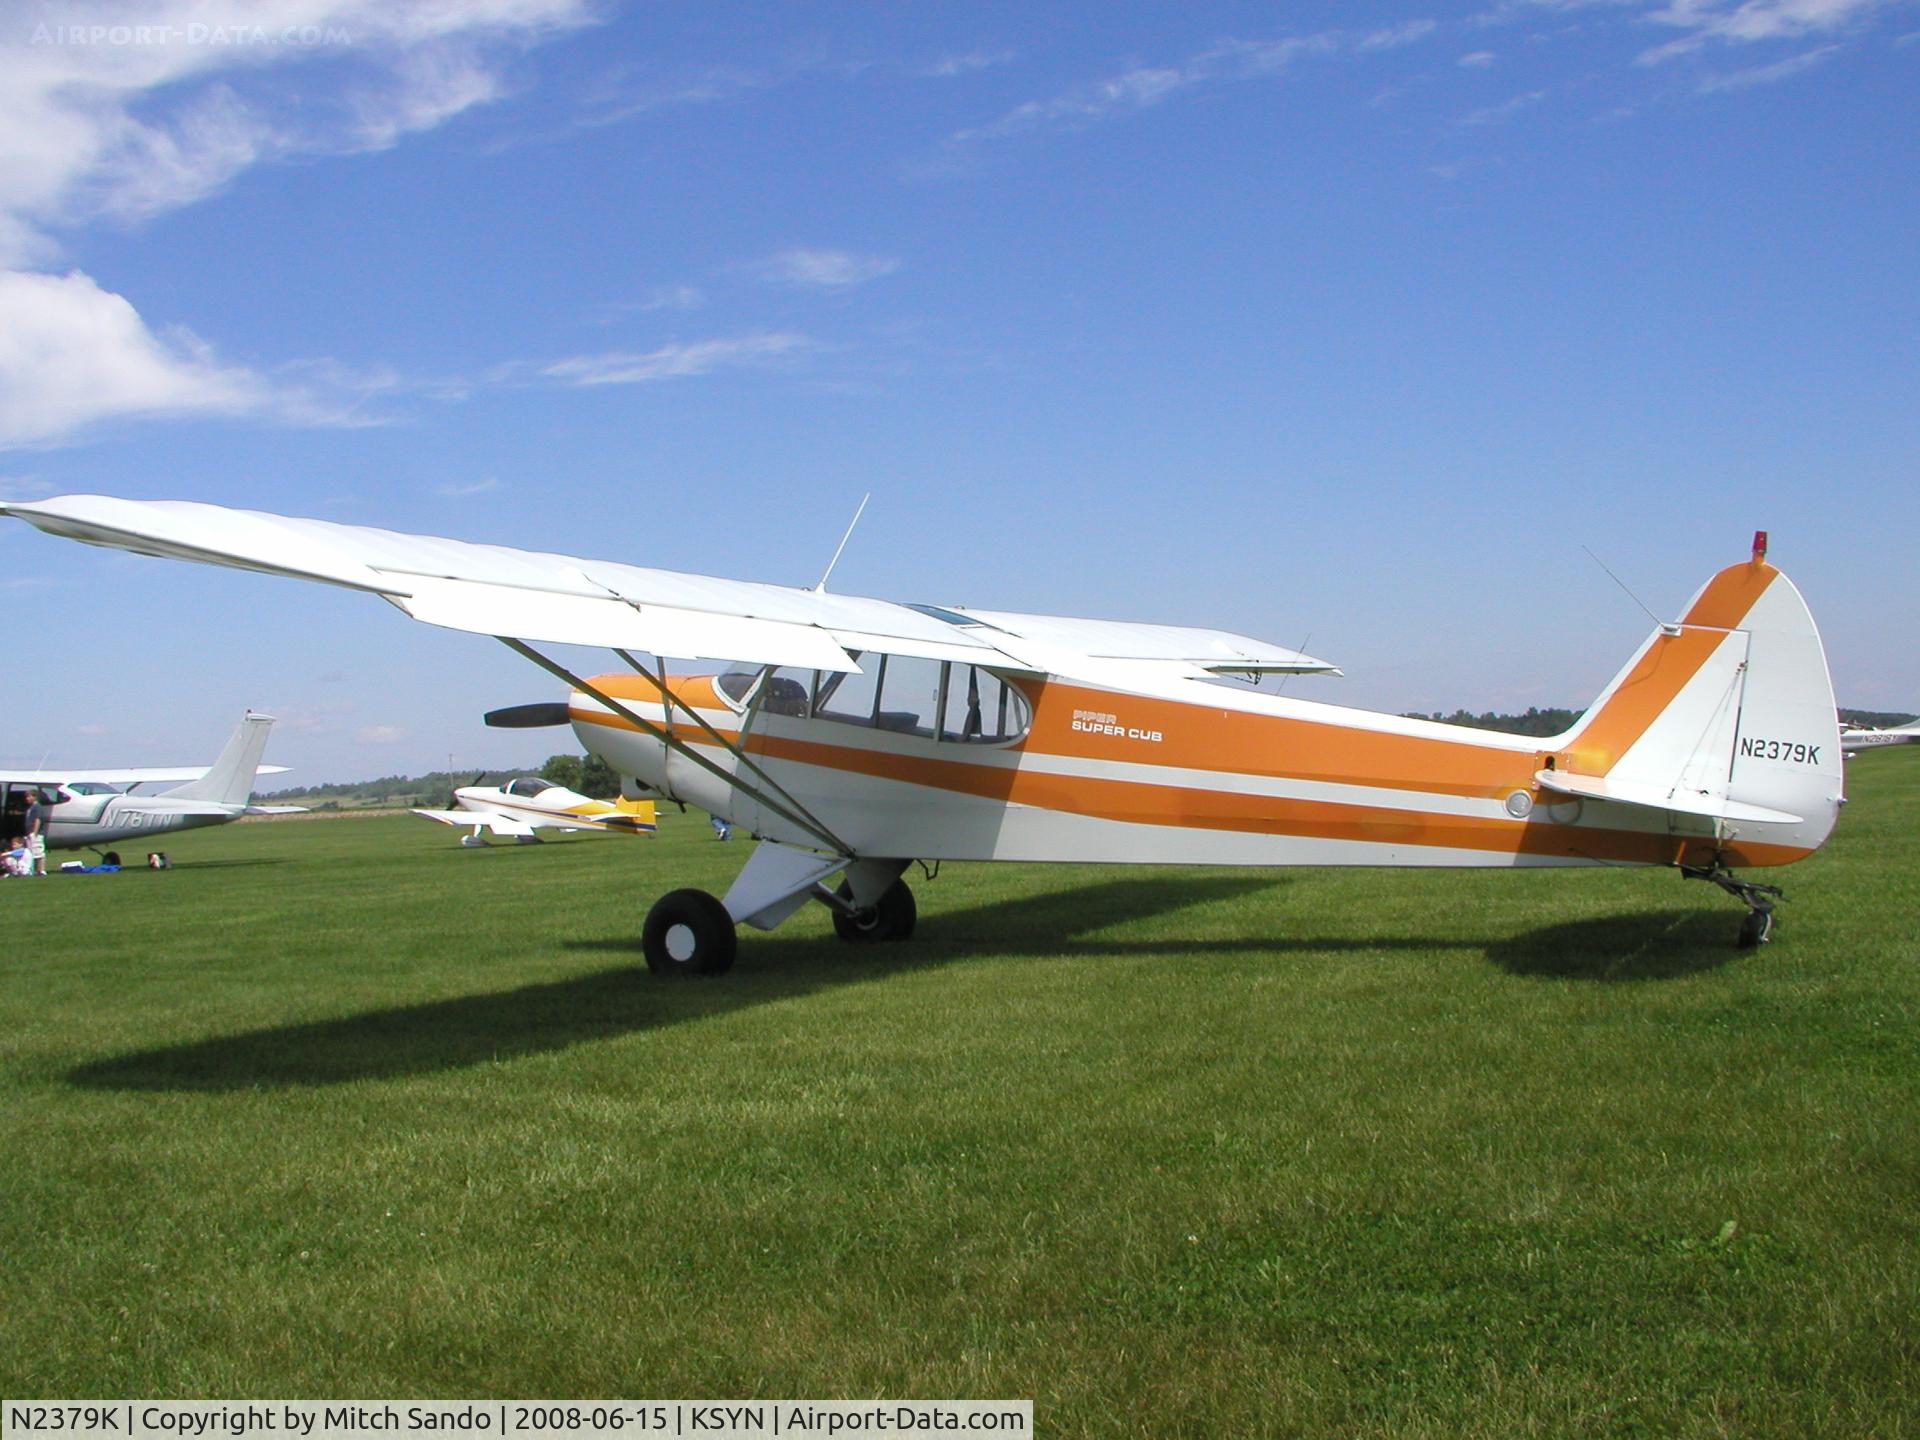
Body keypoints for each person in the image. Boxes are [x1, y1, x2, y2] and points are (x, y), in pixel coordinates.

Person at [23, 790, 52, 876]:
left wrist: (35, 832)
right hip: (29, 833)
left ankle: (42, 870)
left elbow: (38, 819)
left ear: (34, 797)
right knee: (32, 852)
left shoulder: (37, 807)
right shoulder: (31, 807)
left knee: (38, 851)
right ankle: (35, 870)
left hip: (36, 833)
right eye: (26, 797)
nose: (27, 799)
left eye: (29, 796)